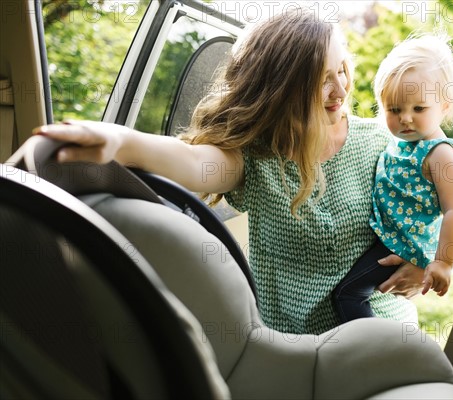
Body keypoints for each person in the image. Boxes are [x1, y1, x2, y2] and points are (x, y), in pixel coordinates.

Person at [33, 10, 426, 335]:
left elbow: (433, 203)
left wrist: (429, 258)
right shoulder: (258, 158)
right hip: (297, 356)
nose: (340, 90)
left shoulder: (381, 142)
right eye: (321, 80)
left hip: (385, 333)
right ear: (283, 87)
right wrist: (121, 142)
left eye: (342, 69)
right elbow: (190, 161)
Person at [333, 32, 453, 323]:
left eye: (418, 109)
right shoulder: (403, 142)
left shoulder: (441, 155)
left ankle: (365, 348)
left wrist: (443, 263)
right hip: (392, 236)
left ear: (444, 106)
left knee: (348, 293)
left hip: (407, 245)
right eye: (394, 110)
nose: (405, 118)